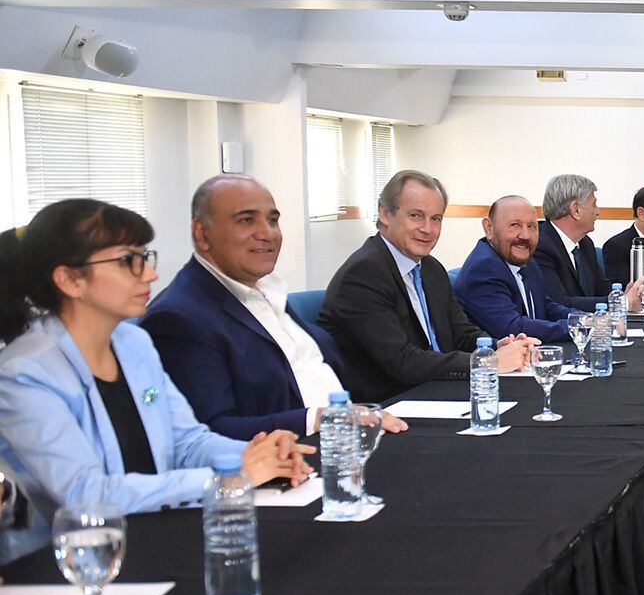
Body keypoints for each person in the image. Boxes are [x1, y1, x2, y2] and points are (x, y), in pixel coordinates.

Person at [0, 199, 308, 554]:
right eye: (128, 261)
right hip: (81, 560)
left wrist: (257, 455)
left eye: (145, 258)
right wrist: (230, 479)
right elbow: (86, 495)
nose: (149, 274)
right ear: (70, 279)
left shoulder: (134, 343)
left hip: (158, 532)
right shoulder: (25, 374)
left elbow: (187, 443)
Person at [144, 175, 404, 440]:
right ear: (202, 233)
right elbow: (210, 432)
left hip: (350, 436)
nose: (267, 234)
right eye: (246, 220)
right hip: (291, 460)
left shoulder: (266, 288)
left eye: (272, 220)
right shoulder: (179, 317)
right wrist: (318, 418)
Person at [319, 170, 533, 401]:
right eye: (415, 215)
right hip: (390, 407)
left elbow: (462, 334)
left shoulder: (430, 268)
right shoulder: (363, 275)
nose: (428, 229)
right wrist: (487, 362)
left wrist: (496, 347)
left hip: (439, 393)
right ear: (385, 214)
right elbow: (402, 361)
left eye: (436, 219)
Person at [454, 196, 577, 344]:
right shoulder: (483, 268)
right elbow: (513, 328)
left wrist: (585, 318)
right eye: (514, 225)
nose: (525, 235)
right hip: (496, 364)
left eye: (531, 226)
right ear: (489, 228)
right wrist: (576, 327)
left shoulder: (525, 259)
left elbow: (546, 306)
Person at [532, 173, 609, 310]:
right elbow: (559, 303)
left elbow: (602, 290)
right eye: (594, 205)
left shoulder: (586, 243)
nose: (598, 212)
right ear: (576, 210)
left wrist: (624, 293)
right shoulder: (540, 245)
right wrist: (620, 302)